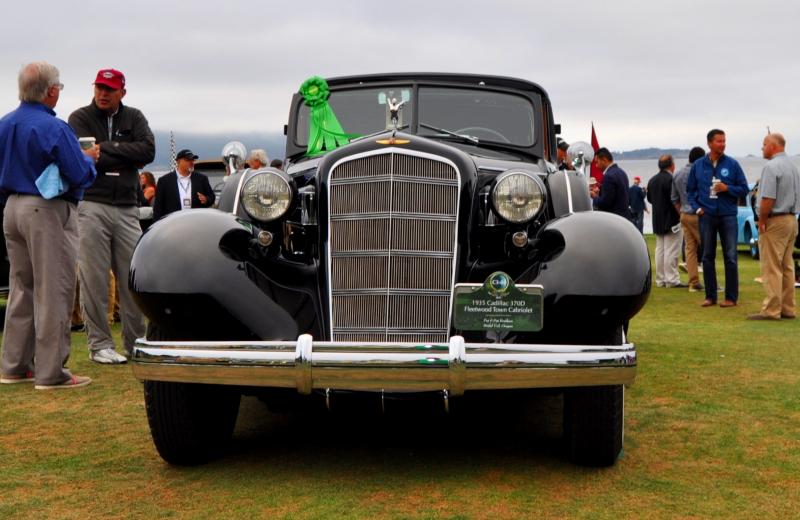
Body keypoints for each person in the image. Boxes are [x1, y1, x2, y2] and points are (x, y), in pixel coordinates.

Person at [0, 62, 98, 389]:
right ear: (51, 90)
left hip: (12, 207)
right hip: (46, 209)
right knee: (54, 288)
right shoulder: (53, 127)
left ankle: (14, 365)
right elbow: (78, 172)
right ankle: (51, 372)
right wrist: (89, 159)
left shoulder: (5, 124)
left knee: (21, 287)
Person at [68, 68, 155, 364]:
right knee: (94, 278)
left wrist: (106, 149)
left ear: (122, 92)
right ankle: (100, 345)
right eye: (99, 88)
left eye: (109, 89)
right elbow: (83, 155)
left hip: (128, 207)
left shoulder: (135, 116)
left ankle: (136, 342)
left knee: (133, 277)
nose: (103, 93)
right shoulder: (79, 117)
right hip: (92, 203)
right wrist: (125, 154)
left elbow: (148, 150)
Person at [687, 129, 749, 308]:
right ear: (709, 143)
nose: (722, 144)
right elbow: (690, 191)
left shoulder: (733, 164)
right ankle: (710, 296)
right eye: (719, 141)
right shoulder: (698, 165)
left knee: (730, 256)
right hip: (706, 215)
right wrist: (697, 208)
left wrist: (727, 188)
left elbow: (744, 189)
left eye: (724, 141)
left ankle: (731, 298)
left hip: (728, 215)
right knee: (707, 256)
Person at [747, 133, 800, 320]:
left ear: (773, 145)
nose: (762, 148)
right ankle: (787, 308)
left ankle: (771, 310)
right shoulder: (793, 167)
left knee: (771, 266)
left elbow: (768, 198)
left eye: (764, 144)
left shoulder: (771, 167)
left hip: (775, 220)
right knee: (787, 265)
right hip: (791, 220)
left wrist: (761, 221)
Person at [671, 146, 706, 292]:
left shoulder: (677, 173)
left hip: (684, 214)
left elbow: (674, 198)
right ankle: (711, 283)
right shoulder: (701, 173)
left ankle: (693, 282)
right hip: (699, 214)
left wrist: (681, 212)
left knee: (690, 249)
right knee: (707, 248)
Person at [647, 155, 684, 287]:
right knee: (671, 250)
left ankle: (660, 279)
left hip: (657, 219)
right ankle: (672, 279)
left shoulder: (652, 180)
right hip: (672, 219)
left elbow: (650, 199)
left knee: (660, 250)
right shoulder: (671, 179)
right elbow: (676, 198)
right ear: (672, 165)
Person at [152, 149, 215, 220]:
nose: (191, 162)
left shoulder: (202, 179)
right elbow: (158, 207)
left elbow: (212, 197)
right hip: (172, 223)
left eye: (193, 160)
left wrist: (206, 199)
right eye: (188, 160)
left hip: (196, 222)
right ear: (178, 162)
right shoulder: (164, 181)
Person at [590, 147, 631, 219]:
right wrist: (599, 193)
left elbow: (605, 203)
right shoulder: (622, 172)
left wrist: (594, 196)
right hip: (625, 218)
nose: (596, 166)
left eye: (597, 162)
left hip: (614, 219)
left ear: (604, 160)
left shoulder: (608, 176)